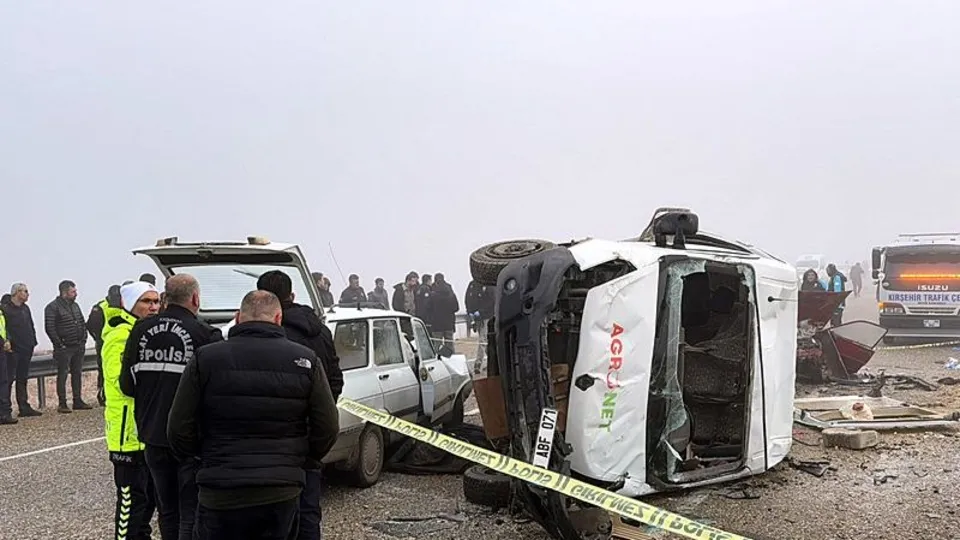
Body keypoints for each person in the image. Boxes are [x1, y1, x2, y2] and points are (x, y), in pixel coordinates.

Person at [167, 290, 340, 540]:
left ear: (238, 318)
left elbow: (178, 427)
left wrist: (202, 457)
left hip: (220, 489)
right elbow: (327, 427)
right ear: (279, 318)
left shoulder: (206, 358)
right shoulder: (304, 360)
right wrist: (302, 459)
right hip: (280, 490)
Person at [119, 275, 222, 540]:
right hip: (191, 438)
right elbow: (217, 391)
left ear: (165, 299)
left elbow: (127, 386)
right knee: (190, 509)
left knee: (167, 509)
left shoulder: (140, 331)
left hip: (152, 434)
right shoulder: (205, 335)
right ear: (196, 299)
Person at [256, 270, 343, 540]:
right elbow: (335, 381)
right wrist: (314, 430)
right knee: (307, 511)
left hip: (265, 441)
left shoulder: (256, 336)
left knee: (266, 515)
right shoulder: (319, 331)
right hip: (305, 439)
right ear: (292, 295)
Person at [104, 281, 161, 540]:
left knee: (149, 499)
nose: (152, 307)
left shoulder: (147, 332)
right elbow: (120, 381)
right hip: (127, 434)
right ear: (130, 304)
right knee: (131, 501)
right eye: (146, 302)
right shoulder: (120, 336)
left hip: (145, 431)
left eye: (156, 301)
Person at [44, 280, 90, 413]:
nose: (76, 294)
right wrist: (59, 344)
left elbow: (82, 322)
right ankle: (62, 403)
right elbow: (50, 327)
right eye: (73, 291)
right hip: (64, 348)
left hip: (78, 345)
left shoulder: (75, 306)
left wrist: (83, 339)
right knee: (63, 374)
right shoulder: (52, 307)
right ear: (65, 292)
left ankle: (78, 400)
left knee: (77, 373)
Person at [3, 283, 41, 417]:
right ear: (16, 293)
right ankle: (5, 409)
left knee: (22, 378)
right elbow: (4, 328)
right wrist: (9, 343)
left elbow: (30, 325)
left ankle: (24, 406)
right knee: (8, 380)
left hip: (27, 347)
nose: (27, 294)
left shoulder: (25, 308)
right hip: (13, 350)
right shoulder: (5, 309)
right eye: (24, 291)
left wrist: (33, 341)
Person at [87, 285, 122, 407]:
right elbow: (91, 325)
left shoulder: (124, 305)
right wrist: (98, 339)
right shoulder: (100, 307)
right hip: (104, 344)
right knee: (104, 370)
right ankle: (103, 395)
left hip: (120, 343)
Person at [428, 274, 459, 348]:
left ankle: (439, 358)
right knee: (449, 344)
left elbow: (428, 308)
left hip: (436, 324)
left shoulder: (433, 295)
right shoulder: (451, 294)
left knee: (437, 345)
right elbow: (456, 308)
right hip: (449, 323)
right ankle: (449, 358)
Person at [0, 302, 16, 424]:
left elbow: (4, 329)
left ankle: (4, 413)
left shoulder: (1, 311)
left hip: (2, 349)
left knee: (4, 382)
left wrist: (7, 341)